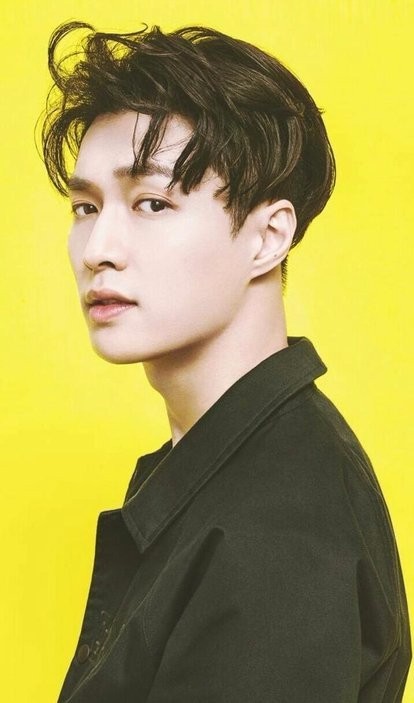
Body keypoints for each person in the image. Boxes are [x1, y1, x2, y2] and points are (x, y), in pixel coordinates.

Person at [41, 21, 411, 703]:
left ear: (268, 237)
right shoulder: (234, 465)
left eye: (152, 203)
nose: (98, 249)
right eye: (86, 207)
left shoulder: (277, 536)